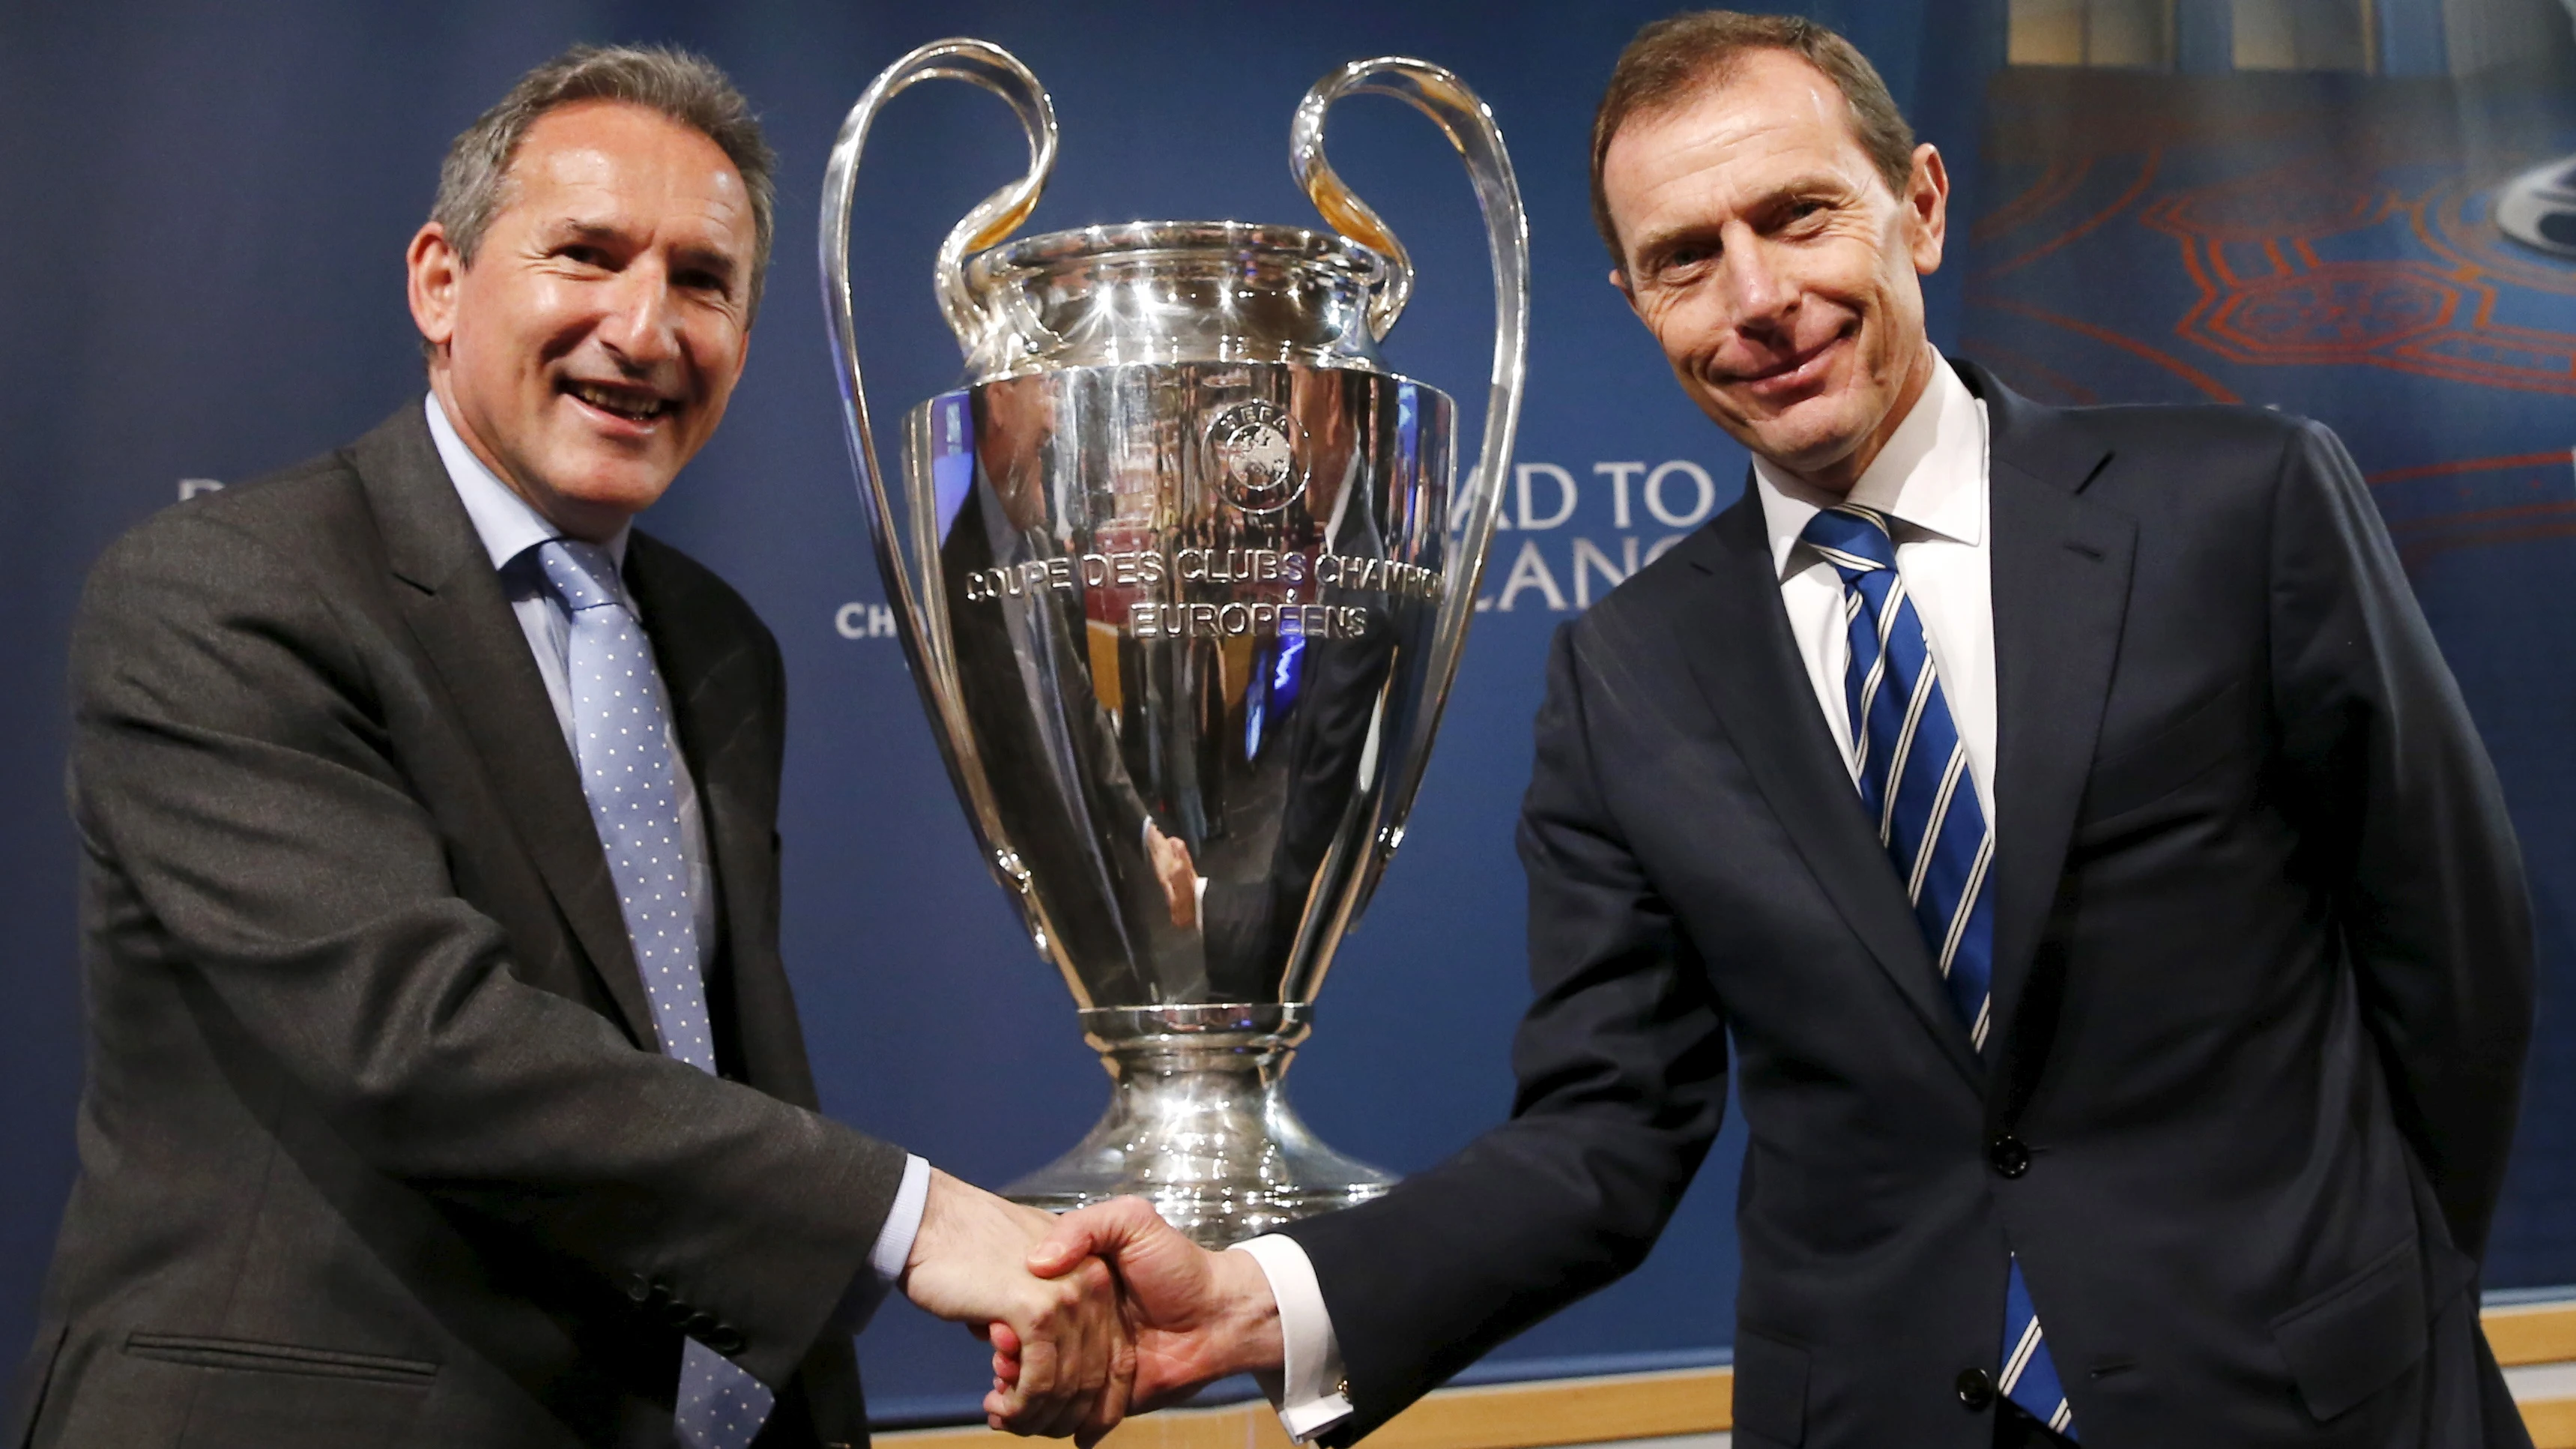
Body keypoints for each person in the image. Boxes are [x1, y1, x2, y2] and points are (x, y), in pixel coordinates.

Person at [1027, 12, 2537, 1448]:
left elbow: (2451, 959)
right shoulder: (1628, 673)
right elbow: (1604, 1136)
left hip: (2316, 1400)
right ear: (1637, 301)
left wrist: (2389, 1298)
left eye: (1799, 215)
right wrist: (1260, 1294)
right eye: (1686, 257)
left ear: (1921, 206)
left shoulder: (2240, 506)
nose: (1755, 299)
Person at [12, 46, 1128, 1449]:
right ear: (440, 281)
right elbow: (419, 1041)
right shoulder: (227, 590)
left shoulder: (719, 642)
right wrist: (916, 1220)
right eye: (586, 255)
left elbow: (716, 1055)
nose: (646, 327)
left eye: (703, 282)